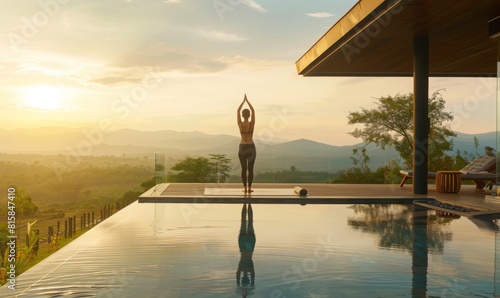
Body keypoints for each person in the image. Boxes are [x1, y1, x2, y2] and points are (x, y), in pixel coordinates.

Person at [237, 94, 256, 193]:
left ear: (242, 115)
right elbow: (253, 111)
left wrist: (243, 101)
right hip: (251, 146)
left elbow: (237, 111)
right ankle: (249, 188)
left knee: (244, 169)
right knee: (250, 169)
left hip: (242, 147)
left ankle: (244, 188)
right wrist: (248, 101)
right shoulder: (252, 124)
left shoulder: (240, 124)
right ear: (249, 115)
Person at [236, 203, 256, 296]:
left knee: (250, 222)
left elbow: (253, 277)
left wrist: (249, 286)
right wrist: (238, 283)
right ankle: (246, 203)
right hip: (243, 244)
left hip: (250, 245)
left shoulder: (249, 270)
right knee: (243, 222)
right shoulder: (241, 269)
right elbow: (237, 276)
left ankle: (247, 203)